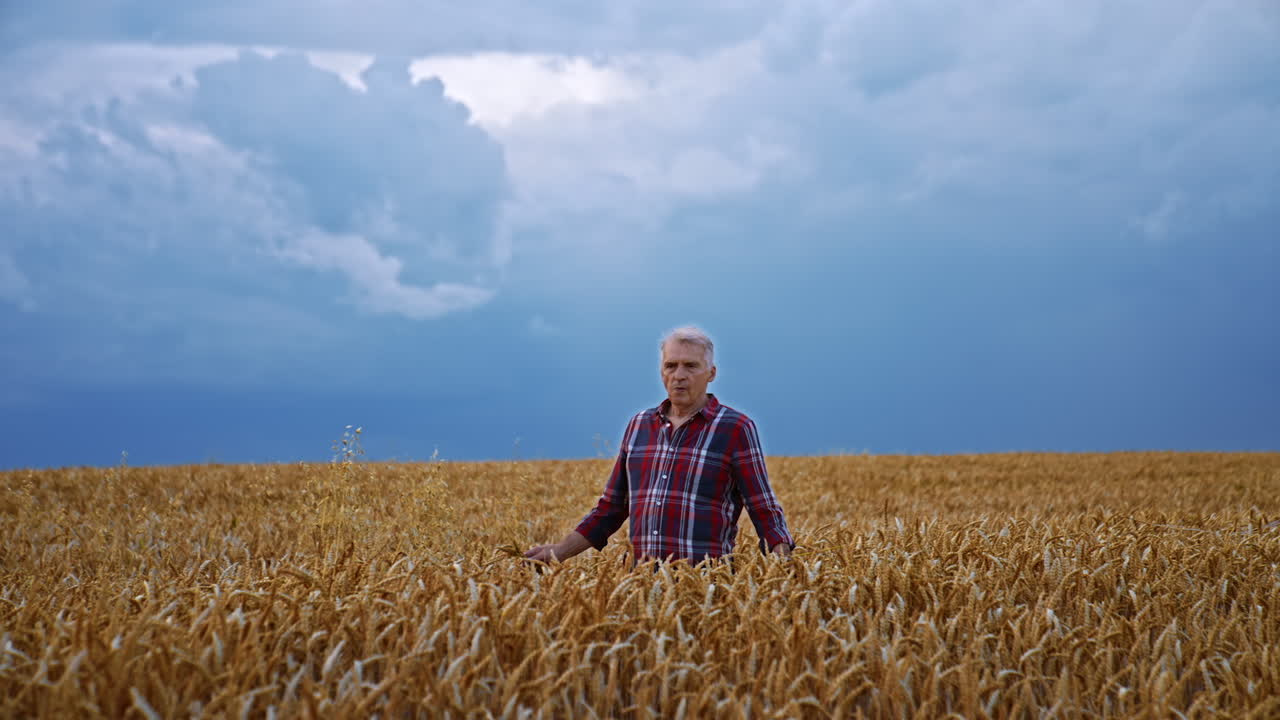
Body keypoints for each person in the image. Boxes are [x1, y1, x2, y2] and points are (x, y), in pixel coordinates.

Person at [523, 326, 794, 566]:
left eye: (690, 366)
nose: (679, 375)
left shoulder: (735, 428)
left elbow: (762, 507)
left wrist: (785, 570)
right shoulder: (639, 426)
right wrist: (560, 551)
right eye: (671, 366)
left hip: (706, 591)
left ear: (711, 373)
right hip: (640, 589)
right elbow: (611, 508)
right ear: (661, 371)